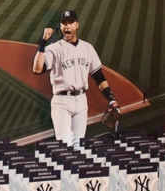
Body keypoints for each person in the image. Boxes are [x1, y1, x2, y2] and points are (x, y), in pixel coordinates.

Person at [31, 9, 118, 146]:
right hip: (62, 102)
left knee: (79, 145)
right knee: (65, 145)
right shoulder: (54, 49)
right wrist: (43, 42)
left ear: (77, 25)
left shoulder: (88, 48)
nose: (67, 26)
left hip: (82, 101)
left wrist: (111, 98)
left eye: (70, 23)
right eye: (64, 23)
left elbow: (99, 77)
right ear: (60, 26)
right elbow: (37, 69)